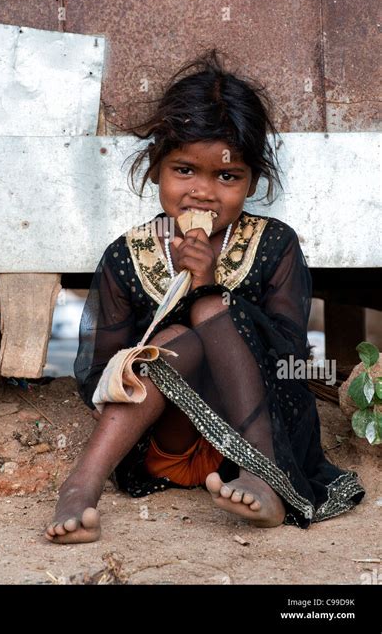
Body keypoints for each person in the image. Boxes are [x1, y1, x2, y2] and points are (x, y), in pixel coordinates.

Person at [45, 49, 365, 544]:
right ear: (156, 169)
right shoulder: (126, 256)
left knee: (214, 306)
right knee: (169, 337)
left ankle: (265, 478)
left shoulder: (275, 245)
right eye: (185, 170)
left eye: (227, 176)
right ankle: (81, 485)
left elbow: (291, 359)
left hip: (260, 433)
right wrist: (171, 329)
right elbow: (100, 375)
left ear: (253, 181)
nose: (203, 192)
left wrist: (212, 287)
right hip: (165, 440)